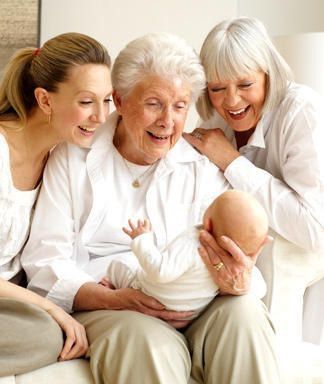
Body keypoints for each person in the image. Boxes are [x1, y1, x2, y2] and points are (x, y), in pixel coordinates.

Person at [21, 33, 280, 384]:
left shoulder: (200, 167)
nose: (168, 121)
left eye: (180, 106)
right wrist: (116, 300)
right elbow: (45, 259)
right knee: (148, 340)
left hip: (192, 301)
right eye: (154, 104)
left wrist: (236, 279)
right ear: (121, 100)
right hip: (107, 299)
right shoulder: (72, 158)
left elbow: (237, 252)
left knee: (246, 314)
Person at [183, 16, 324, 342]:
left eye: (245, 85)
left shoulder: (302, 111)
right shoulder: (218, 117)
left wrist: (231, 162)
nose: (231, 101)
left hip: (300, 268)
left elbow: (315, 227)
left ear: (268, 74)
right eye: (217, 89)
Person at [0, 32, 112, 376]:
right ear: (45, 101)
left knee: (50, 334)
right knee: (49, 333)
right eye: (86, 101)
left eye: (107, 100)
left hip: (9, 303)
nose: (101, 116)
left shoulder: (59, 157)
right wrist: (53, 310)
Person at [103, 189, 268, 319]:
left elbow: (159, 272)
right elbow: (261, 290)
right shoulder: (233, 267)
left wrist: (141, 240)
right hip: (190, 314)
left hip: (148, 295)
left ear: (208, 224)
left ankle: (110, 285)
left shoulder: (192, 244)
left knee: (121, 263)